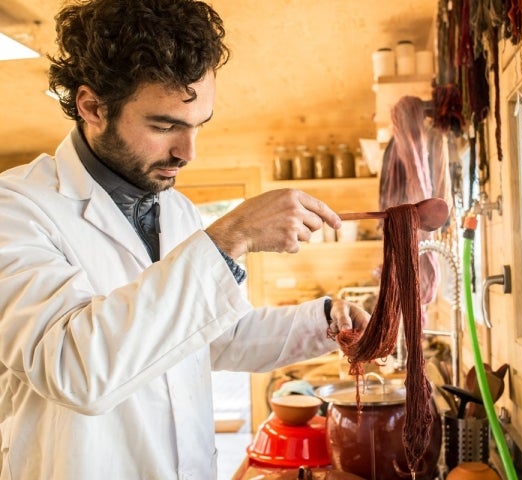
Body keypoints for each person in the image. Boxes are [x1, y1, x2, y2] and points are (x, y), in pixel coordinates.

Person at [0, 0, 370, 478]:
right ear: (92, 107)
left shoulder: (177, 210)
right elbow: (75, 368)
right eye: (164, 125)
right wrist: (229, 237)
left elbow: (215, 338)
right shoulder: (17, 208)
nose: (188, 152)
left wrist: (329, 321)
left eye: (198, 125)